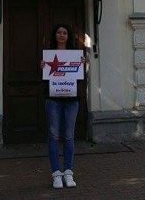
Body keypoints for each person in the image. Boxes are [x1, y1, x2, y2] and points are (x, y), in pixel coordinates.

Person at [40, 23, 84, 189]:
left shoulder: (76, 55)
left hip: (71, 100)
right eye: (59, 32)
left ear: (68, 36)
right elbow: (44, 79)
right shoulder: (48, 55)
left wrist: (83, 65)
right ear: (55, 35)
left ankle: (68, 172)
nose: (61, 35)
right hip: (53, 99)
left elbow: (80, 78)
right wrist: (42, 69)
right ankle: (56, 174)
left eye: (65, 32)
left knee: (69, 136)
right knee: (53, 136)